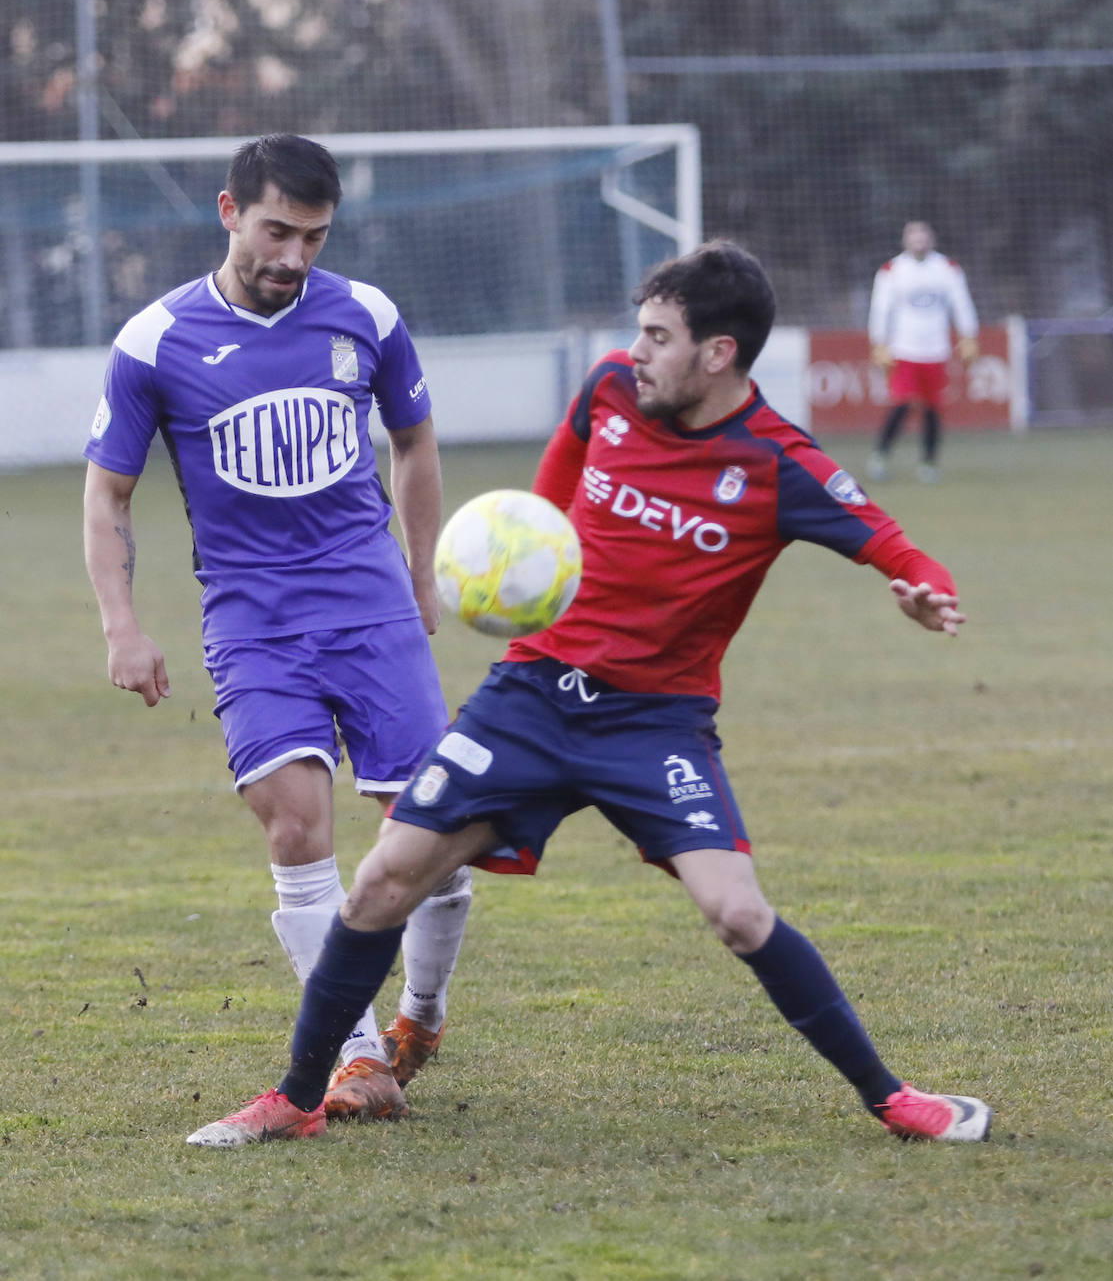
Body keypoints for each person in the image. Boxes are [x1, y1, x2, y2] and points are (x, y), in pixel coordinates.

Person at [187, 238, 993, 1148]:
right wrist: (516, 575)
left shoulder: (777, 464)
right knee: (380, 882)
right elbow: (542, 508)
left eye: (657, 336)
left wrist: (923, 589)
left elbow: (892, 544)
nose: (635, 352)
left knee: (735, 910)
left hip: (654, 725)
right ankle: (295, 1099)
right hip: (528, 699)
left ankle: (892, 1099)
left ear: (718, 353)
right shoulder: (609, 389)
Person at [83, 133, 472, 1123]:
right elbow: (109, 492)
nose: (294, 255)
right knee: (296, 823)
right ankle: (353, 1056)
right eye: (275, 230)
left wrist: (419, 573)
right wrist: (121, 624)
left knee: (430, 838)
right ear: (228, 212)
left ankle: (421, 1012)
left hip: (371, 605)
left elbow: (416, 440)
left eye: (313, 235)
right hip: (253, 619)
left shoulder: (367, 316)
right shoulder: (155, 342)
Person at [866, 220, 979, 483]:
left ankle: (929, 462)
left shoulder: (948, 269)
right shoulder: (891, 270)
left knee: (933, 408)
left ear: (931, 239)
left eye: (923, 236)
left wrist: (969, 335)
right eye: (913, 237)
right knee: (902, 403)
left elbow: (961, 303)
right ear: (905, 241)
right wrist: (879, 342)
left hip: (936, 351)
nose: (919, 242)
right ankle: (880, 455)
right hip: (904, 349)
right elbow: (880, 309)